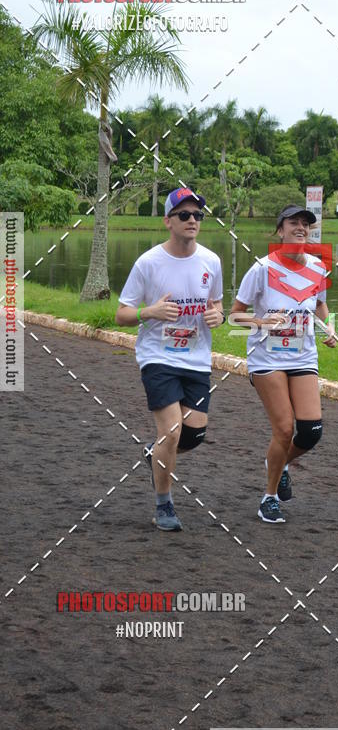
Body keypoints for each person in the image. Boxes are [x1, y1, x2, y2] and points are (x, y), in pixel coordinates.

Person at [115, 187, 225, 531]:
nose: (192, 220)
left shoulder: (212, 261)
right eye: (184, 215)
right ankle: (164, 505)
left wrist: (218, 316)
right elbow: (122, 314)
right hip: (157, 357)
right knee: (172, 431)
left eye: (197, 216)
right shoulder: (148, 263)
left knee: (192, 436)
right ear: (168, 221)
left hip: (196, 360)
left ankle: (154, 452)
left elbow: (217, 304)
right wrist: (151, 311)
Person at [230, 203, 337, 524]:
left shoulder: (318, 267)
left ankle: (278, 463)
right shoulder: (262, 268)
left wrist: (329, 325)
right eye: (293, 223)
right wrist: (263, 322)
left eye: (306, 223)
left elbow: (320, 304)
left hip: (303, 354)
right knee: (284, 428)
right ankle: (269, 497)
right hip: (267, 357)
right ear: (280, 230)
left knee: (311, 432)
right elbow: (234, 314)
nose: (300, 227)